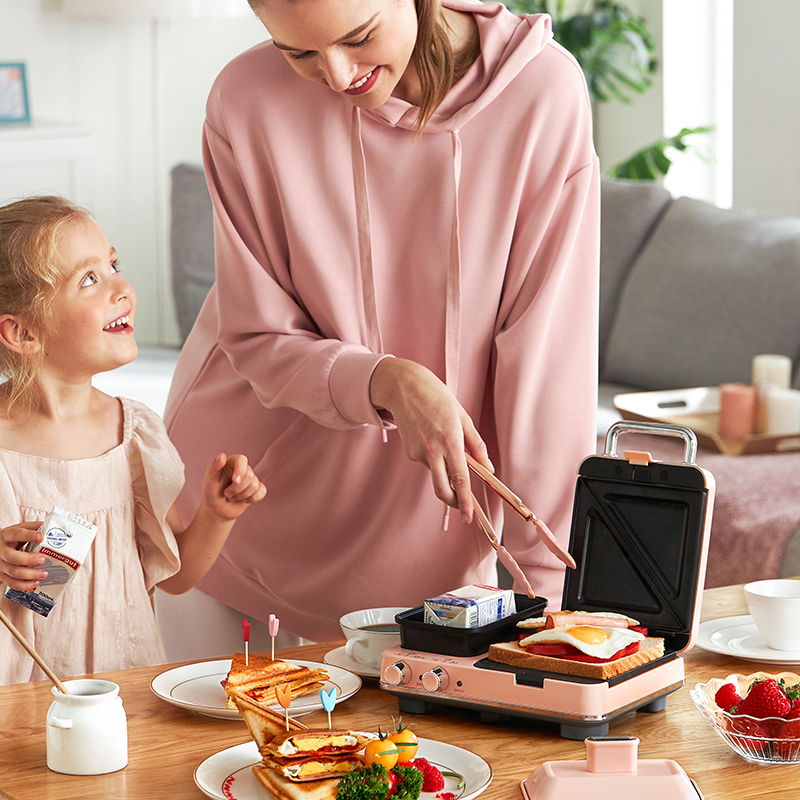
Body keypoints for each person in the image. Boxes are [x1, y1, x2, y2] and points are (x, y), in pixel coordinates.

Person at [161, 0, 599, 648]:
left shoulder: (542, 95)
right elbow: (255, 335)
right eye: (299, 53)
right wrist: (386, 380)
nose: (337, 76)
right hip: (226, 525)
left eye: (358, 37)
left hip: (418, 563)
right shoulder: (246, 98)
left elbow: (547, 367)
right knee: (200, 751)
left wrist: (547, 591)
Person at [0, 196, 266, 685]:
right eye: (89, 279)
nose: (122, 287)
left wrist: (217, 514)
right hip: (17, 703)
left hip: (122, 688)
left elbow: (177, 575)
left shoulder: (133, 435)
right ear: (23, 332)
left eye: (114, 265)